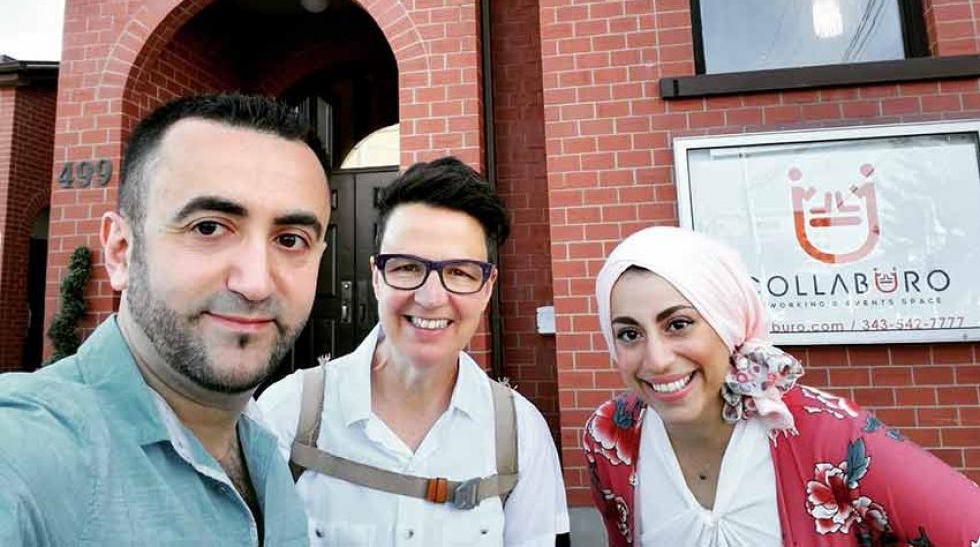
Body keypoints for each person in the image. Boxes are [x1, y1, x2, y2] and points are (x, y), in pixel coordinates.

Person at [0, 94, 332, 546]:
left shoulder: (266, 446)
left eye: (291, 240)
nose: (256, 283)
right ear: (120, 251)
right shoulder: (25, 451)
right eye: (208, 228)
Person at [582, 225, 980, 546]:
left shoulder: (828, 433)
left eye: (679, 325)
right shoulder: (611, 435)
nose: (656, 359)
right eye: (630, 334)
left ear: (728, 323)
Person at [259, 156, 570, 546]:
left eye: (459, 272)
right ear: (376, 276)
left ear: (487, 287)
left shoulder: (520, 434)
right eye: (406, 267)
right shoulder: (288, 415)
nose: (431, 297)